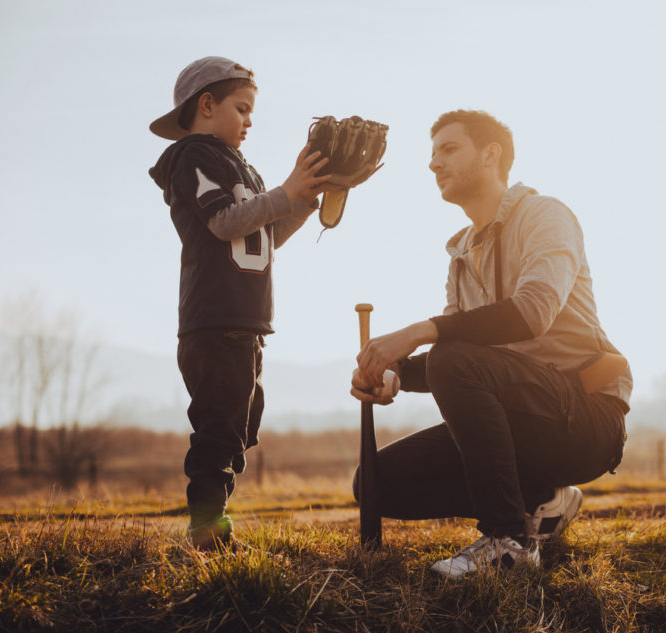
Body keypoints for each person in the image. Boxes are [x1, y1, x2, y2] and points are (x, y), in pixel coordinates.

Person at [351, 109, 632, 578]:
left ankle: (510, 542)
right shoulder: (461, 254)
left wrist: (420, 330)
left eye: (448, 149)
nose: (433, 163)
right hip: (517, 416)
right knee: (375, 483)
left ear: (491, 155)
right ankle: (542, 499)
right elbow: (462, 361)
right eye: (432, 152)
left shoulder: (546, 215)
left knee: (451, 354)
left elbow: (531, 313)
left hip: (586, 419)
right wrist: (392, 375)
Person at [149, 56, 333, 550]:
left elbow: (264, 234)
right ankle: (207, 531)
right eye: (243, 109)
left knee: (238, 428)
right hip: (214, 321)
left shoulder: (240, 167)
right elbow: (226, 224)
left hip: (246, 324)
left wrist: (306, 198)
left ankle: (214, 521)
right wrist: (284, 190)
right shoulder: (192, 156)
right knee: (218, 431)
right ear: (206, 105)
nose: (251, 121)